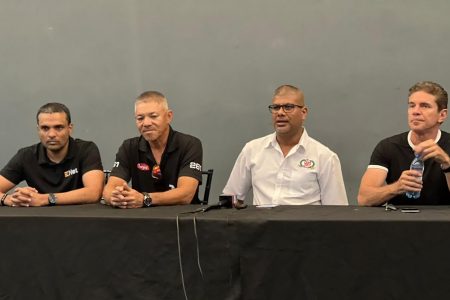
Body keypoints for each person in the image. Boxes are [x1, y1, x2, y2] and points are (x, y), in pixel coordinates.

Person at [223, 84, 348, 205]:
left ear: (303, 113)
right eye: (276, 107)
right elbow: (231, 198)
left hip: (304, 225)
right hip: (261, 224)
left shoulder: (325, 157)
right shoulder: (252, 150)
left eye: (288, 107)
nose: (280, 113)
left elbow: (336, 210)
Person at [102, 91, 203, 208]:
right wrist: (115, 198)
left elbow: (186, 195)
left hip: (180, 220)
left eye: (153, 116)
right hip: (141, 220)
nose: (146, 123)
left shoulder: (189, 144)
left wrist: (145, 199)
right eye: (140, 118)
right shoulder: (129, 147)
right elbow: (109, 189)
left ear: (169, 116)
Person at [358, 81, 450, 206]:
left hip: (443, 224)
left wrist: (447, 164)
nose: (415, 111)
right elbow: (364, 199)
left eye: (424, 106)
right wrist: (397, 187)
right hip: (399, 223)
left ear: (442, 115)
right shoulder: (388, 146)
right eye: (412, 105)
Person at [0, 103, 104, 207]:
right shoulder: (26, 156)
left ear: (70, 128)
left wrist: (46, 199)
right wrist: (9, 199)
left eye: (58, 127)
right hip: (40, 221)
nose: (51, 134)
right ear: (38, 129)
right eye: (45, 128)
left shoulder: (86, 150)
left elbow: (94, 193)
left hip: (80, 220)